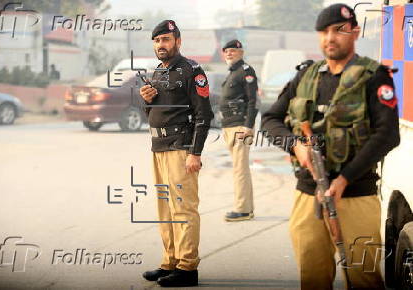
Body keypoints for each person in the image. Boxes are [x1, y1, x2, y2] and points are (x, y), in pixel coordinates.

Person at [261, 3, 400, 289]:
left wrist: (345, 178)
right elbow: (270, 119)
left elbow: (388, 134)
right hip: (308, 195)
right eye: (324, 32)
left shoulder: (374, 76)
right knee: (312, 277)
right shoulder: (306, 76)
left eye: (339, 30)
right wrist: (295, 146)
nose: (330, 38)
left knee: (364, 279)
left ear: (355, 32)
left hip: (356, 194)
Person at [139, 20, 213, 287]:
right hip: (158, 148)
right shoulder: (158, 71)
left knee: (183, 208)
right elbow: (153, 113)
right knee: (165, 209)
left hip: (180, 149)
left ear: (178, 42)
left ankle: (187, 267)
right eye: (157, 40)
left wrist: (195, 152)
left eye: (166, 39)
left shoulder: (192, 71)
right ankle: (169, 261)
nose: (161, 45)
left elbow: (204, 114)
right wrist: (146, 101)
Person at [220, 39, 258, 222]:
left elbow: (253, 101)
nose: (229, 53)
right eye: (226, 51)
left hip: (240, 126)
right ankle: (247, 208)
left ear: (241, 53)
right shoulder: (232, 73)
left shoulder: (246, 71)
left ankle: (242, 209)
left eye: (233, 51)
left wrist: (248, 126)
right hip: (230, 126)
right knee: (240, 169)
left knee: (240, 170)